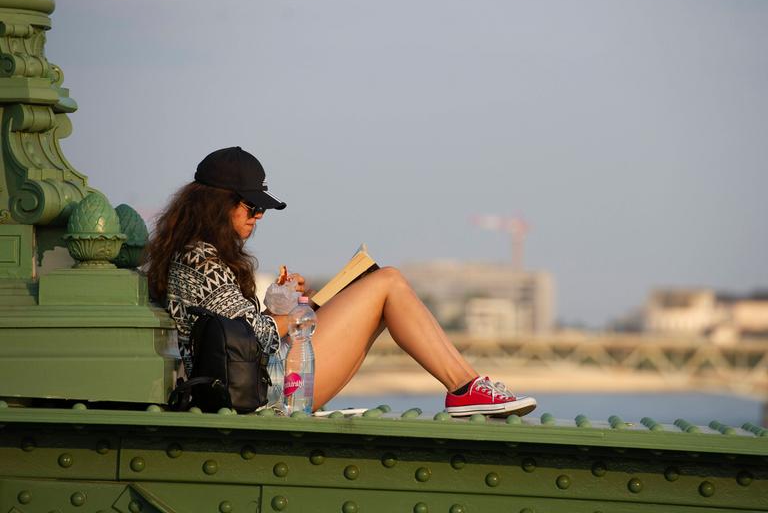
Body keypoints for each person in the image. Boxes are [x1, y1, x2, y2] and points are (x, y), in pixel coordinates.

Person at [145, 146, 537, 417]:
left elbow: (232, 335)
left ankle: (467, 387)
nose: (258, 217)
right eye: (253, 206)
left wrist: (297, 308)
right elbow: (253, 338)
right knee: (388, 282)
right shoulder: (201, 257)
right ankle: (466, 389)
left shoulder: (191, 254)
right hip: (264, 390)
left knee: (384, 290)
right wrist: (290, 315)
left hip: (250, 382)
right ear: (217, 203)